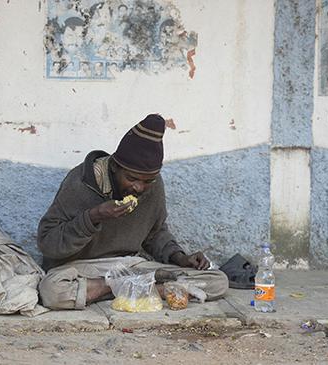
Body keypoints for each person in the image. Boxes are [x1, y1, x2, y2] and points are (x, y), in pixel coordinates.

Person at [37, 114, 229, 310]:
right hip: (83, 269)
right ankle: (144, 289)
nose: (139, 187)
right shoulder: (81, 183)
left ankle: (118, 289)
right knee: (52, 292)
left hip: (130, 267)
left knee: (217, 281)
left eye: (147, 181)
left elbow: (155, 233)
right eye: (131, 178)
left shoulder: (152, 185)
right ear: (114, 167)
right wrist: (94, 216)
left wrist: (180, 257)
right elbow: (48, 244)